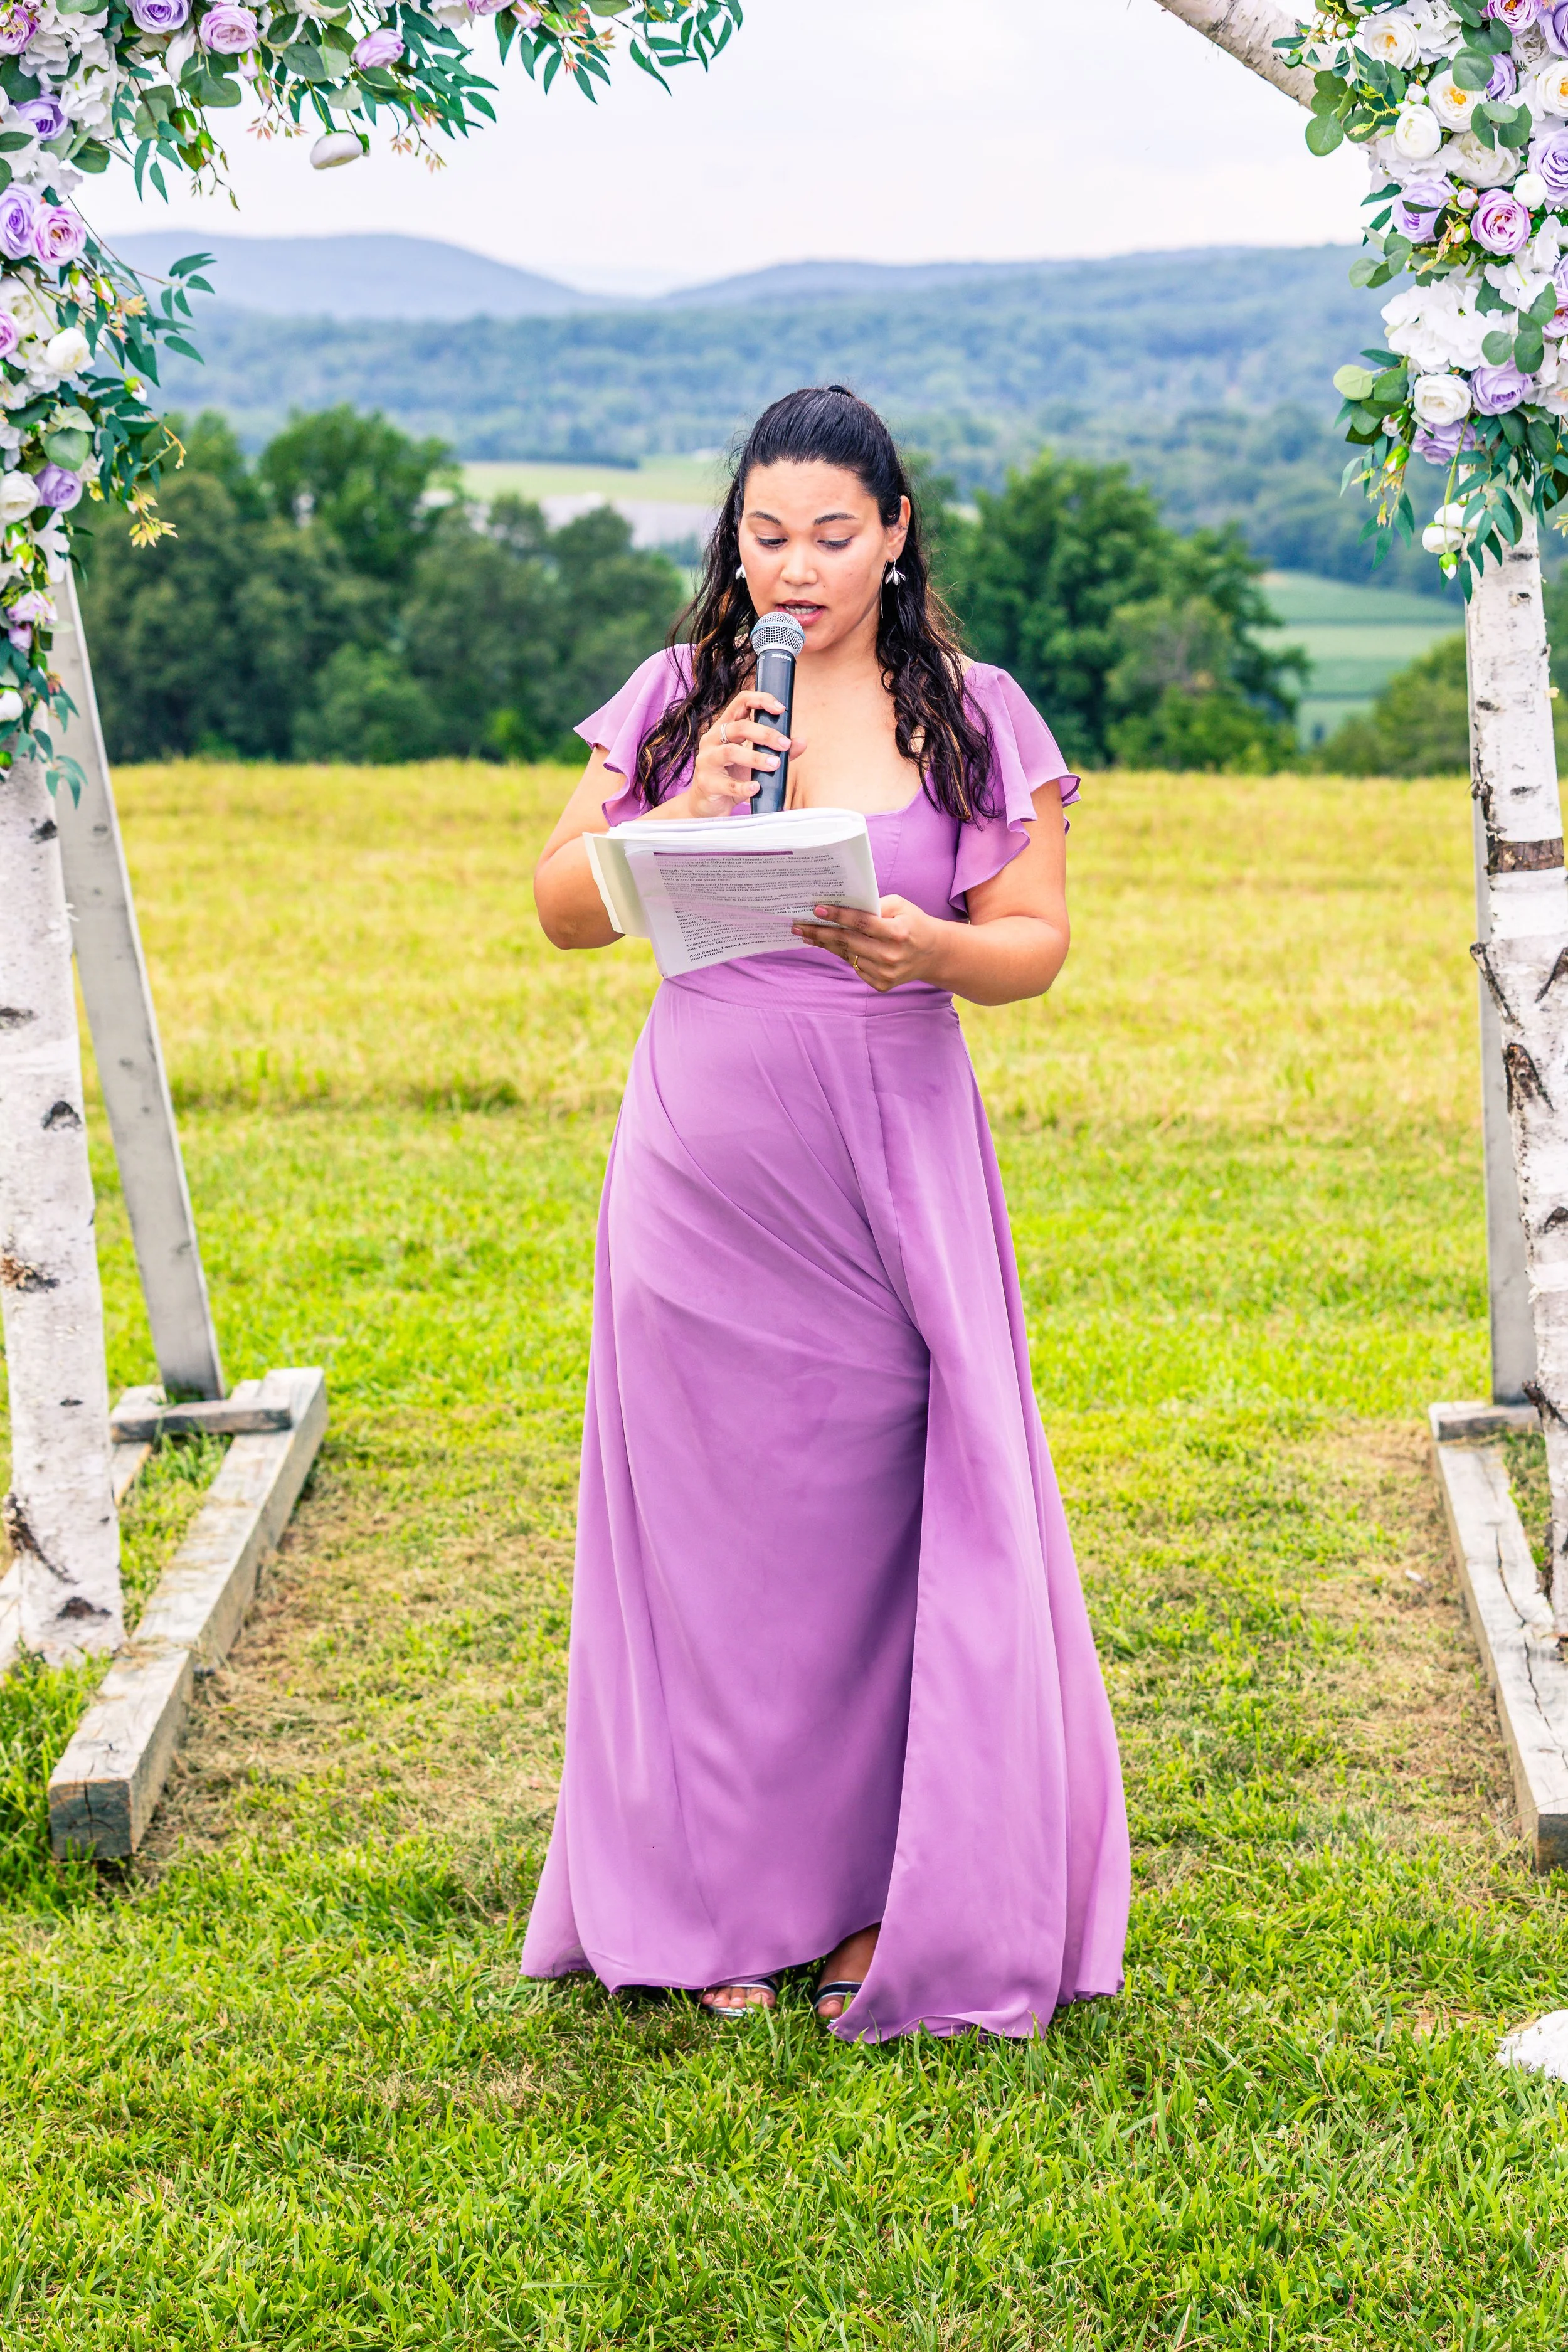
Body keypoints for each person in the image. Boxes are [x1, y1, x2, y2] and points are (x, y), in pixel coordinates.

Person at [524, 384, 1129, 2040]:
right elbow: (561, 908)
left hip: (887, 1144)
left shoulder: (976, 714)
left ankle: (884, 1891)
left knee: (881, 1522)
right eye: (766, 533)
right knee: (711, 1539)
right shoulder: (677, 699)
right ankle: (711, 1897)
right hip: (705, 1153)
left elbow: (1033, 941)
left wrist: (931, 948)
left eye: (831, 535)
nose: (794, 567)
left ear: (896, 534)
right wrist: (681, 809)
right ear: (733, 535)